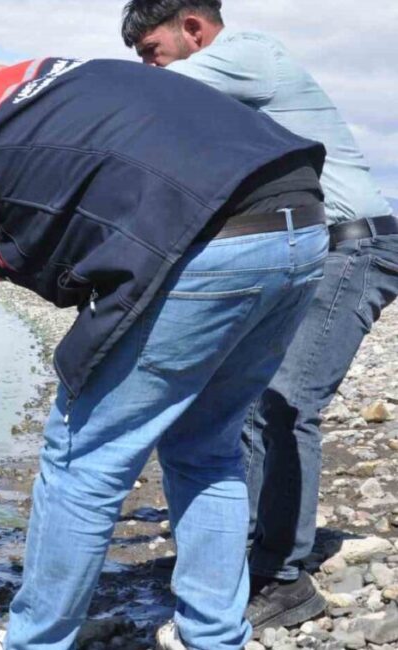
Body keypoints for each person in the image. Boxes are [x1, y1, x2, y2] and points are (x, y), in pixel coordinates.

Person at [0, 56, 329, 649]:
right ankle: (215, 638)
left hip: (207, 242)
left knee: (82, 458)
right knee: (206, 449)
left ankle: (38, 642)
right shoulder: (30, 91)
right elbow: (91, 205)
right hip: (302, 227)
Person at [117, 0, 398, 636]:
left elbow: (137, 95)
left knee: (287, 403)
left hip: (353, 246)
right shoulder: (214, 106)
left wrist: (29, 82)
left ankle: (285, 578)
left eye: (151, 48)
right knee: (241, 402)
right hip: (300, 250)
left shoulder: (248, 55)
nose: (147, 63)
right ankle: (233, 554)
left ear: (192, 28)